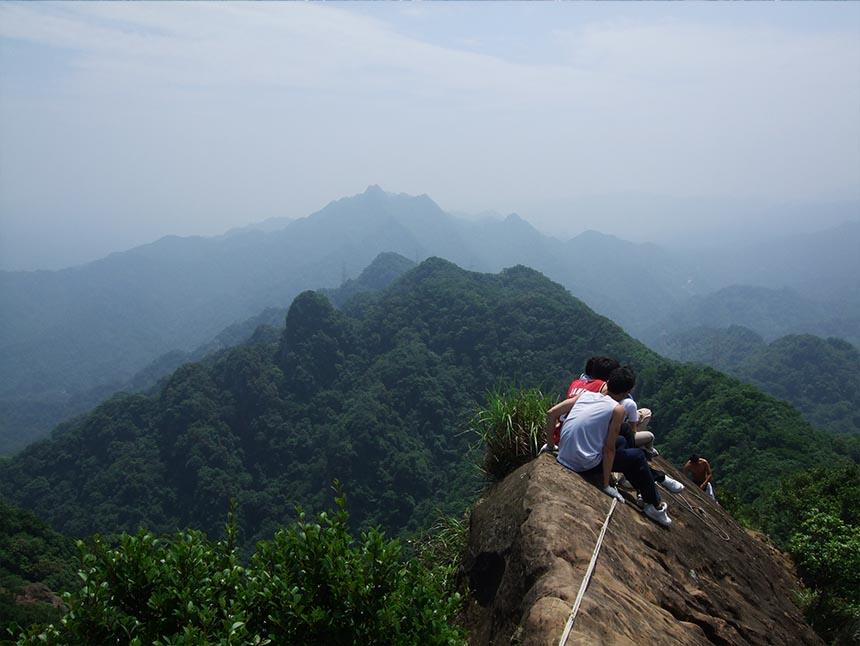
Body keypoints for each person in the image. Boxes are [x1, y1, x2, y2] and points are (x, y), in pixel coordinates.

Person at [544, 366, 672, 527]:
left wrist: (550, 446)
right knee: (637, 456)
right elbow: (609, 449)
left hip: (563, 454)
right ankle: (654, 505)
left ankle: (637, 484)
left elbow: (551, 413)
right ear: (627, 392)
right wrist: (605, 485)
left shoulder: (586, 395)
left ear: (608, 382)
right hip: (583, 464)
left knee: (623, 443)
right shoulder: (617, 409)